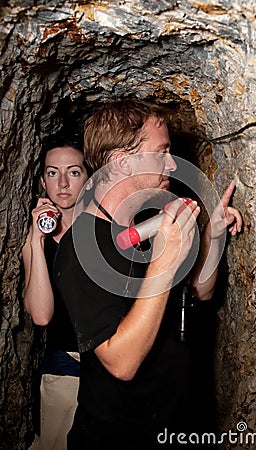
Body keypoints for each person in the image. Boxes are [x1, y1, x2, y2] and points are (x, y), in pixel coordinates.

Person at [53, 99, 242, 449]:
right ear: (122, 161)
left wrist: (211, 237)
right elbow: (121, 362)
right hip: (119, 437)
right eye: (162, 151)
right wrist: (163, 260)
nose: (172, 163)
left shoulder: (143, 230)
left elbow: (198, 292)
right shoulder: (80, 248)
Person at [22, 132, 90, 450]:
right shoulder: (35, 244)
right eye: (53, 173)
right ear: (42, 182)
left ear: (88, 178)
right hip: (63, 369)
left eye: (73, 172)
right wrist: (36, 240)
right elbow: (41, 314)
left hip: (110, 366)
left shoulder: (104, 231)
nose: (62, 183)